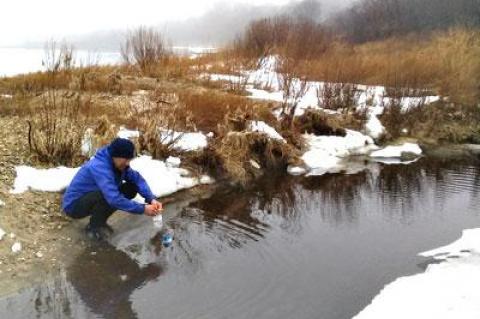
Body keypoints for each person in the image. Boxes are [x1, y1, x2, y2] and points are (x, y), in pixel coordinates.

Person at [62, 138, 162, 240]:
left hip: (92, 197)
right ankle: (94, 227)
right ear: (115, 156)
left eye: (129, 160)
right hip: (73, 206)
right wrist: (143, 209)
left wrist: (151, 199)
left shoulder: (119, 165)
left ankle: (100, 221)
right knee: (108, 196)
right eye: (126, 159)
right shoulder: (99, 167)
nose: (128, 163)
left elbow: (137, 179)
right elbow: (113, 199)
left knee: (130, 188)